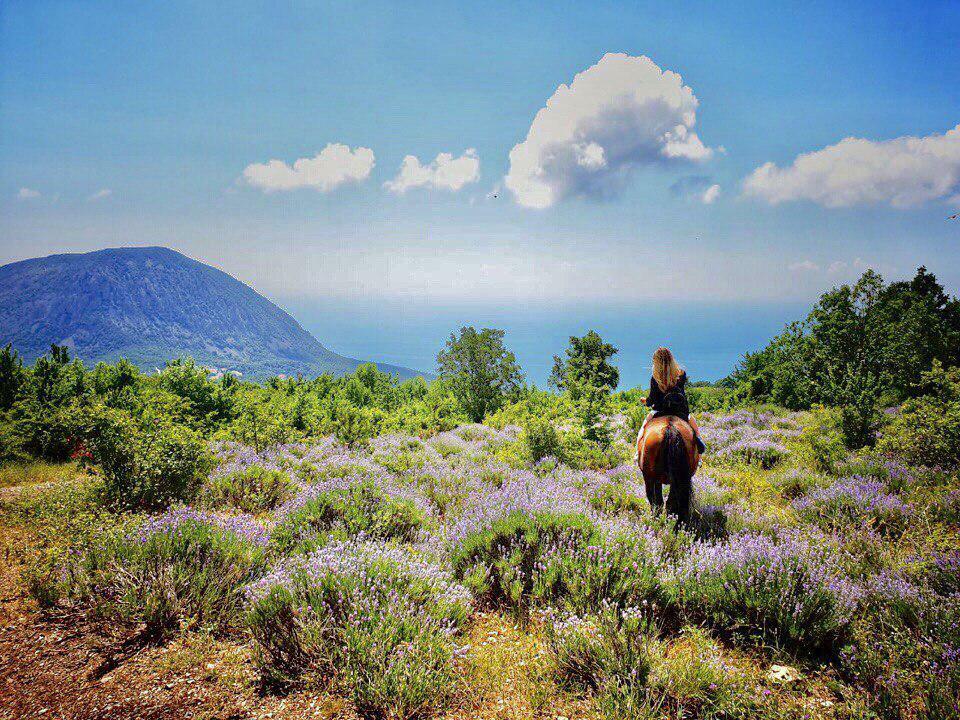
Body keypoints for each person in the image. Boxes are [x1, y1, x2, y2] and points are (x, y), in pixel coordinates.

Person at [640, 347, 706, 453]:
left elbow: (652, 399)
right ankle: (699, 444)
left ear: (657, 362)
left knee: (643, 429)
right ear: (671, 359)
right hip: (680, 411)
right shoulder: (681, 374)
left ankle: (637, 454)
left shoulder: (655, 377)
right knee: (693, 423)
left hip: (660, 411)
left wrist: (645, 401)